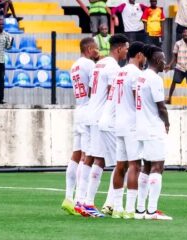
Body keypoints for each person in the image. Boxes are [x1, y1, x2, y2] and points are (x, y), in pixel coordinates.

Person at [75, 34, 129, 217]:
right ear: (119, 49)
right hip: (101, 117)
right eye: (126, 49)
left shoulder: (99, 64)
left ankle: (81, 201)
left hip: (91, 112)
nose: (127, 52)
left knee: (91, 158)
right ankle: (91, 203)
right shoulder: (113, 67)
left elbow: (92, 89)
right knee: (108, 160)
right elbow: (112, 93)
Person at [61, 37, 99, 216]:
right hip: (88, 110)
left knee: (76, 155)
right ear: (90, 48)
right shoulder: (90, 65)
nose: (98, 51)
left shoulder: (74, 65)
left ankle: (68, 198)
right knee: (86, 156)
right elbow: (94, 89)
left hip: (79, 108)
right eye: (96, 48)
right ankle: (79, 200)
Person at [134, 45, 172, 220]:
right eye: (163, 59)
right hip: (152, 126)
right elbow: (161, 106)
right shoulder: (155, 79)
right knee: (158, 166)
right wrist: (167, 122)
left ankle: (140, 210)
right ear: (157, 60)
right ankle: (151, 211)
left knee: (146, 166)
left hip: (141, 126)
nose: (165, 62)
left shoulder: (141, 77)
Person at [111, 41, 146, 219]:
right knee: (134, 165)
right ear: (139, 55)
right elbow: (137, 99)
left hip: (119, 123)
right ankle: (130, 209)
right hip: (132, 124)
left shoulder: (120, 71)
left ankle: (117, 208)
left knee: (120, 166)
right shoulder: (136, 74)